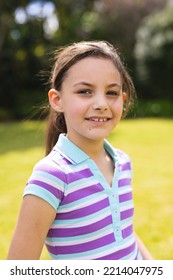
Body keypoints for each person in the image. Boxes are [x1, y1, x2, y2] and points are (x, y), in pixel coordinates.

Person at [7, 40, 153, 260]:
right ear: (57, 100)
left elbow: (124, 231)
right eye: (85, 91)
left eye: (112, 93)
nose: (101, 103)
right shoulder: (52, 176)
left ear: (123, 100)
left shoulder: (123, 162)